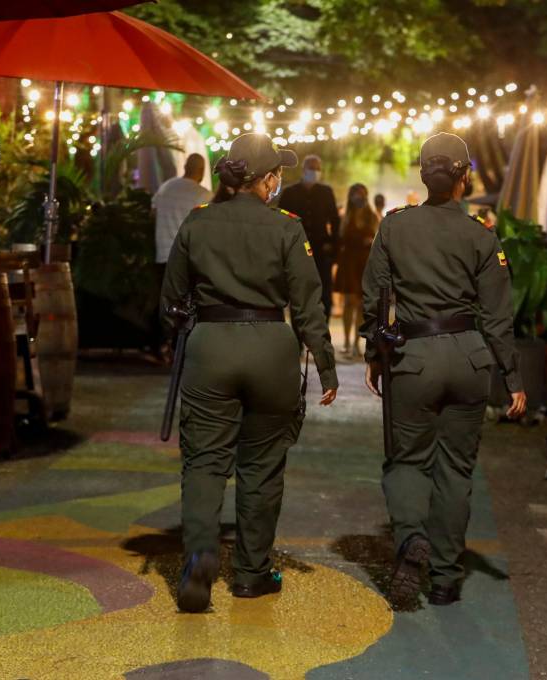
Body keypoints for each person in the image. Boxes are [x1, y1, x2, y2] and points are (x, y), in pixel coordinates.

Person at [161, 133, 338, 613]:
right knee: (261, 467)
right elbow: (308, 305)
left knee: (203, 463)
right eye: (276, 173)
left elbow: (171, 299)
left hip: (211, 347)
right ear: (267, 180)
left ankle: (198, 560)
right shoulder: (287, 227)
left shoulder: (198, 223)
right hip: (270, 349)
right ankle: (251, 575)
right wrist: (325, 365)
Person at [361, 132, 527, 606]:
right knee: (456, 468)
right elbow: (498, 315)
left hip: (413, 357)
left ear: (422, 175)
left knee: (407, 459)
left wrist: (375, 355)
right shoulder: (481, 233)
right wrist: (513, 378)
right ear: (464, 177)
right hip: (470, 357)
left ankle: (412, 536)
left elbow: (374, 296)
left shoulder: (395, 226)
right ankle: (447, 577)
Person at [152, 154, 213, 356]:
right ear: (202, 171)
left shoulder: (166, 187)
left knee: (165, 301)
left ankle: (162, 345)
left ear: (185, 167)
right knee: (187, 304)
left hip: (163, 254)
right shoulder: (204, 196)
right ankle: (180, 347)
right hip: (189, 258)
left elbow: (152, 214)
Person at [278, 154, 342, 321]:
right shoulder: (290, 193)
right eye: (311, 168)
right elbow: (281, 222)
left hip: (321, 252)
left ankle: (322, 333)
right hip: (297, 251)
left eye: (317, 168)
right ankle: (299, 338)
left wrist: (333, 248)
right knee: (298, 294)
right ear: (304, 169)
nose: (314, 172)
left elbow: (335, 221)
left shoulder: (326, 192)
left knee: (324, 295)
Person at [334, 183, 379, 356]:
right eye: (355, 194)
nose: (358, 198)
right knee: (348, 303)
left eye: (361, 194)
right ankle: (346, 342)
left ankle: (356, 343)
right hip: (349, 263)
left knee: (360, 305)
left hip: (364, 263)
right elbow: (341, 239)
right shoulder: (346, 216)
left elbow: (375, 239)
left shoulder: (371, 216)